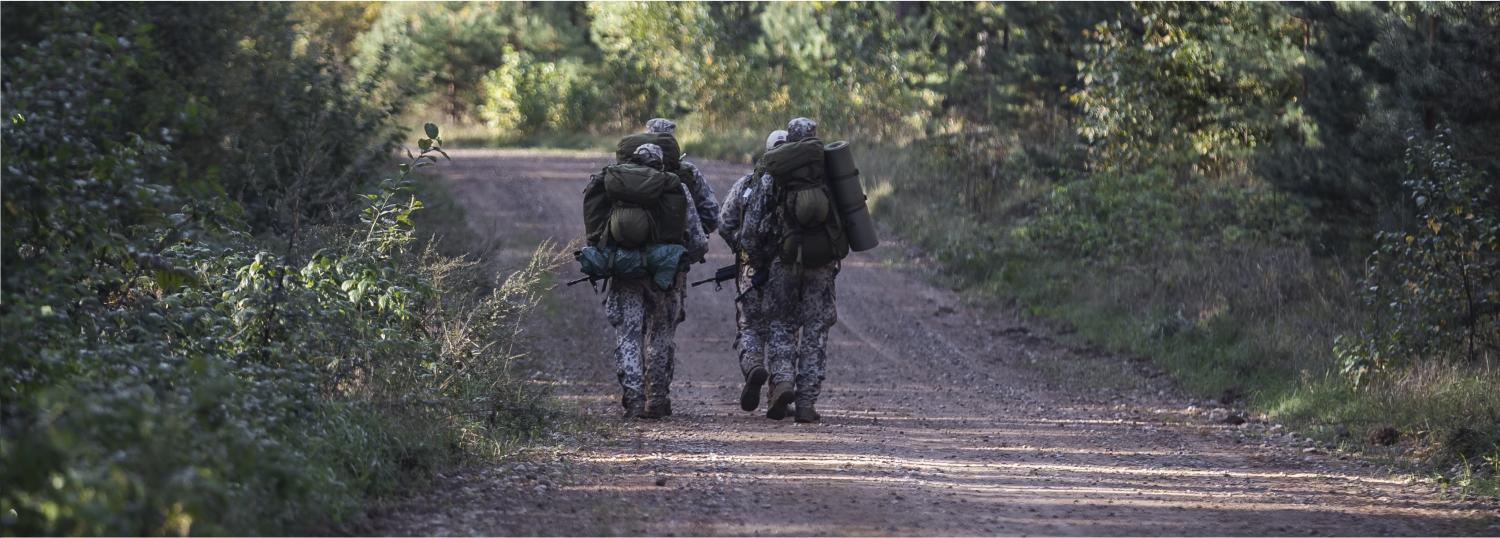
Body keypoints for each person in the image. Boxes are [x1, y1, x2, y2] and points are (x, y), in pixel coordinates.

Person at [737, 118, 843, 423]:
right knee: (816, 329)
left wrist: (757, 260)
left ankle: (782, 381)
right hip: (821, 264)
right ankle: (807, 402)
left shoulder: (773, 171)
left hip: (782, 262)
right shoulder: (829, 170)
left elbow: (752, 228)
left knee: (781, 323)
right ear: (813, 137)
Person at [593, 143, 708, 419]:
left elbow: (597, 231)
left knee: (629, 336)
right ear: (661, 163)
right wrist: (680, 260)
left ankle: (633, 398)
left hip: (625, 273)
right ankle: (656, 399)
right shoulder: (673, 186)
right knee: (660, 335)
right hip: (664, 277)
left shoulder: (617, 187)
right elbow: (698, 239)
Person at [718, 129, 787, 412]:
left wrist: (740, 247)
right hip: (787, 268)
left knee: (750, 325)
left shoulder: (748, 183)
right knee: (783, 326)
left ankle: (754, 366)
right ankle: (782, 383)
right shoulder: (798, 186)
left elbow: (725, 222)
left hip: (751, 267)